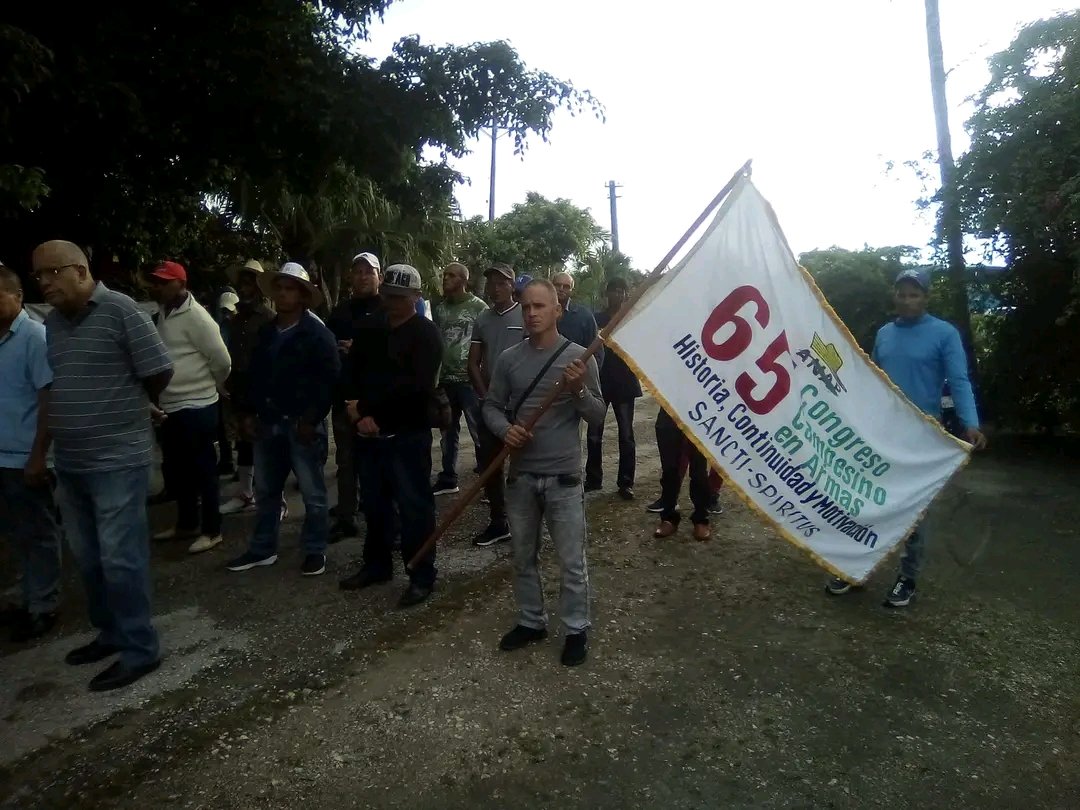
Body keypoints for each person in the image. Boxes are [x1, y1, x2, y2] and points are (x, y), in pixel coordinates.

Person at [35, 240, 173, 691]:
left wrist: (131, 407)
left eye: (51, 274)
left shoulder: (122, 311)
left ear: (79, 270)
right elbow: (58, 385)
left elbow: (158, 371)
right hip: (72, 462)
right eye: (38, 276)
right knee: (90, 559)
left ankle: (140, 649)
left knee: (121, 560)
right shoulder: (54, 323)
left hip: (118, 459)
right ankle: (110, 634)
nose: (44, 283)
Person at [827, 269, 986, 607]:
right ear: (894, 296)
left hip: (921, 435)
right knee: (865, 500)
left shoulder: (944, 334)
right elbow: (874, 379)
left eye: (914, 294)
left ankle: (907, 578)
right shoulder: (885, 333)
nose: (907, 300)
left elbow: (958, 380)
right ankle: (856, 568)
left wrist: (969, 422)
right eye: (902, 293)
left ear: (925, 298)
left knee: (913, 509)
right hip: (883, 432)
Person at [483, 279, 605, 666]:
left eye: (539, 306)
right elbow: (491, 406)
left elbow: (598, 416)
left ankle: (575, 629)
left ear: (557, 310)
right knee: (522, 556)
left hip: (564, 477)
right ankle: (531, 621)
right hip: (521, 477)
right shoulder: (509, 359)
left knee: (571, 560)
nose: (531, 313)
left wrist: (578, 391)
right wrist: (506, 429)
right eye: (526, 307)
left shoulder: (578, 359)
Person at [339, 264, 444, 607]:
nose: (394, 302)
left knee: (414, 507)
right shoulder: (370, 327)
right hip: (369, 433)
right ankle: (377, 565)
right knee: (374, 504)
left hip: (407, 433)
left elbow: (414, 388)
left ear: (416, 296)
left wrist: (368, 411)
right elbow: (352, 370)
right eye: (389, 296)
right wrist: (355, 409)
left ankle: (421, 574)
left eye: (401, 297)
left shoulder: (426, 334)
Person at [225, 263, 339, 576]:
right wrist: (248, 413)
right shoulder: (266, 332)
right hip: (268, 420)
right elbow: (253, 375)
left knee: (313, 492)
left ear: (302, 295)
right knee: (266, 491)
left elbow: (328, 381)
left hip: (302, 422)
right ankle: (263, 548)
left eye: (290, 288)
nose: (283, 294)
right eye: (280, 288)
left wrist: (311, 418)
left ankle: (315, 550)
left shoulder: (316, 334)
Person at [146, 261, 232, 554]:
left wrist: (212, 385)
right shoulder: (163, 314)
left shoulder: (197, 317)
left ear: (180, 284)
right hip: (170, 405)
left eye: (163, 282)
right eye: (155, 282)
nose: (156, 287)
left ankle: (212, 529)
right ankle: (186, 523)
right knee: (178, 469)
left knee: (204, 469)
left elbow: (222, 360)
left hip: (197, 404)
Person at [0, 263, 61, 643]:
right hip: (2, 456)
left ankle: (44, 605)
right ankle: (29, 597)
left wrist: (39, 455)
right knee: (18, 534)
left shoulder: (35, 337)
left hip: (26, 455)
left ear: (18, 296)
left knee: (39, 532)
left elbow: (48, 398)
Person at [467, 263, 526, 547]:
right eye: (491, 282)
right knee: (489, 464)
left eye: (502, 282)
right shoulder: (483, 318)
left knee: (522, 465)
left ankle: (525, 521)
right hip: (492, 405)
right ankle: (498, 521)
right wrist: (485, 395)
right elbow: (473, 362)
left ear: (512, 285)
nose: (496, 288)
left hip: (521, 404)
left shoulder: (525, 314)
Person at [325, 252, 383, 542]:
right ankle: (346, 516)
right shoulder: (340, 312)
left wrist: (360, 349)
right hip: (344, 399)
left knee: (378, 464)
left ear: (379, 278)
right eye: (358, 271)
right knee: (345, 462)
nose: (362, 277)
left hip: (376, 402)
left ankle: (382, 519)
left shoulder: (388, 311)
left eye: (368, 272)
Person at [219, 260, 274, 515]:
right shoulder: (236, 318)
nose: (245, 287)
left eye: (250, 282)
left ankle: (276, 499)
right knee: (243, 443)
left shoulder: (268, 318)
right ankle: (245, 493)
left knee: (267, 445)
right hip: (239, 388)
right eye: (242, 282)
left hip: (262, 390)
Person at [431, 262, 487, 496]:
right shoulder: (440, 309)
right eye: (445, 275)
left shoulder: (479, 308)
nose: (446, 279)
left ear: (464, 280)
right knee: (447, 431)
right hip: (445, 380)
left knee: (479, 431)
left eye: (452, 275)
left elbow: (486, 341)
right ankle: (447, 477)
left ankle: (488, 481)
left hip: (469, 380)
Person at [584, 277, 642, 499]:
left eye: (621, 291)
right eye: (613, 290)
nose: (617, 295)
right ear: (606, 293)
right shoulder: (596, 319)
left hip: (626, 384)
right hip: (599, 383)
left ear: (626, 294)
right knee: (593, 435)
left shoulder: (631, 318)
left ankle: (626, 483)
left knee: (626, 435)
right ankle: (593, 479)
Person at [652, 407, 712, 541]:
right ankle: (668, 517)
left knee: (699, 470)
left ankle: (701, 518)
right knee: (669, 468)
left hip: (699, 411)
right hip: (670, 409)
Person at [214, 290, 240, 477]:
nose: (228, 314)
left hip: (238, 381)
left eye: (230, 311)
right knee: (224, 425)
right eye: (225, 311)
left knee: (240, 426)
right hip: (223, 381)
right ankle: (227, 460)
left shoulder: (241, 327)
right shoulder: (218, 328)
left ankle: (245, 469)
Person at [552, 271, 602, 365]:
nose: (561, 289)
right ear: (551, 287)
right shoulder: (541, 312)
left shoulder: (584, 316)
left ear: (572, 290)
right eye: (558, 285)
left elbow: (596, 352)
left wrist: (586, 375)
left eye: (566, 287)